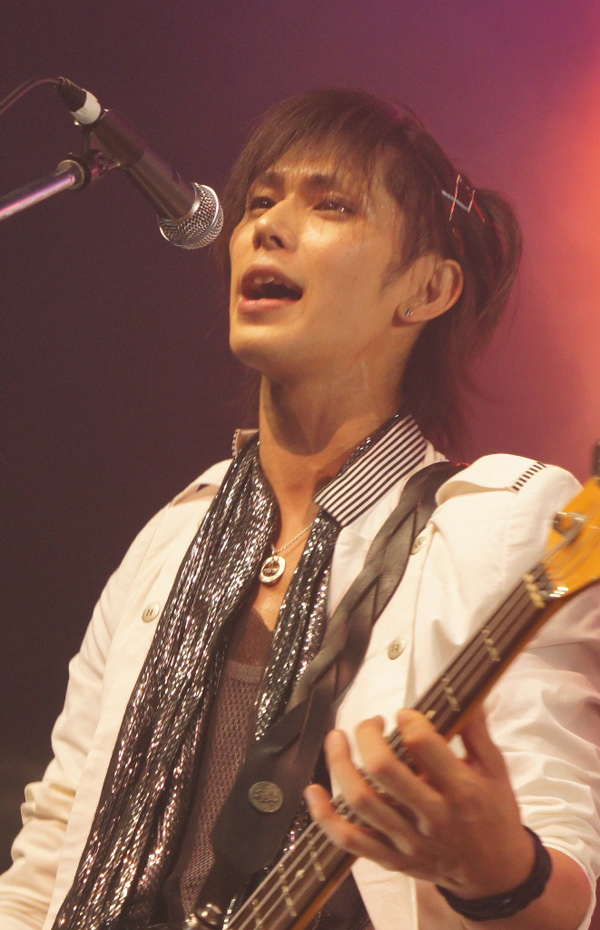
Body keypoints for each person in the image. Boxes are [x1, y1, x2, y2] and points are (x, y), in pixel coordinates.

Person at [1, 88, 599, 930]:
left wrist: (497, 871)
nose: (267, 228)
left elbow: (567, 883)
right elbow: (50, 855)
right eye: (259, 201)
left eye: (332, 205)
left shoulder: (504, 523)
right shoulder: (171, 539)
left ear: (427, 288)